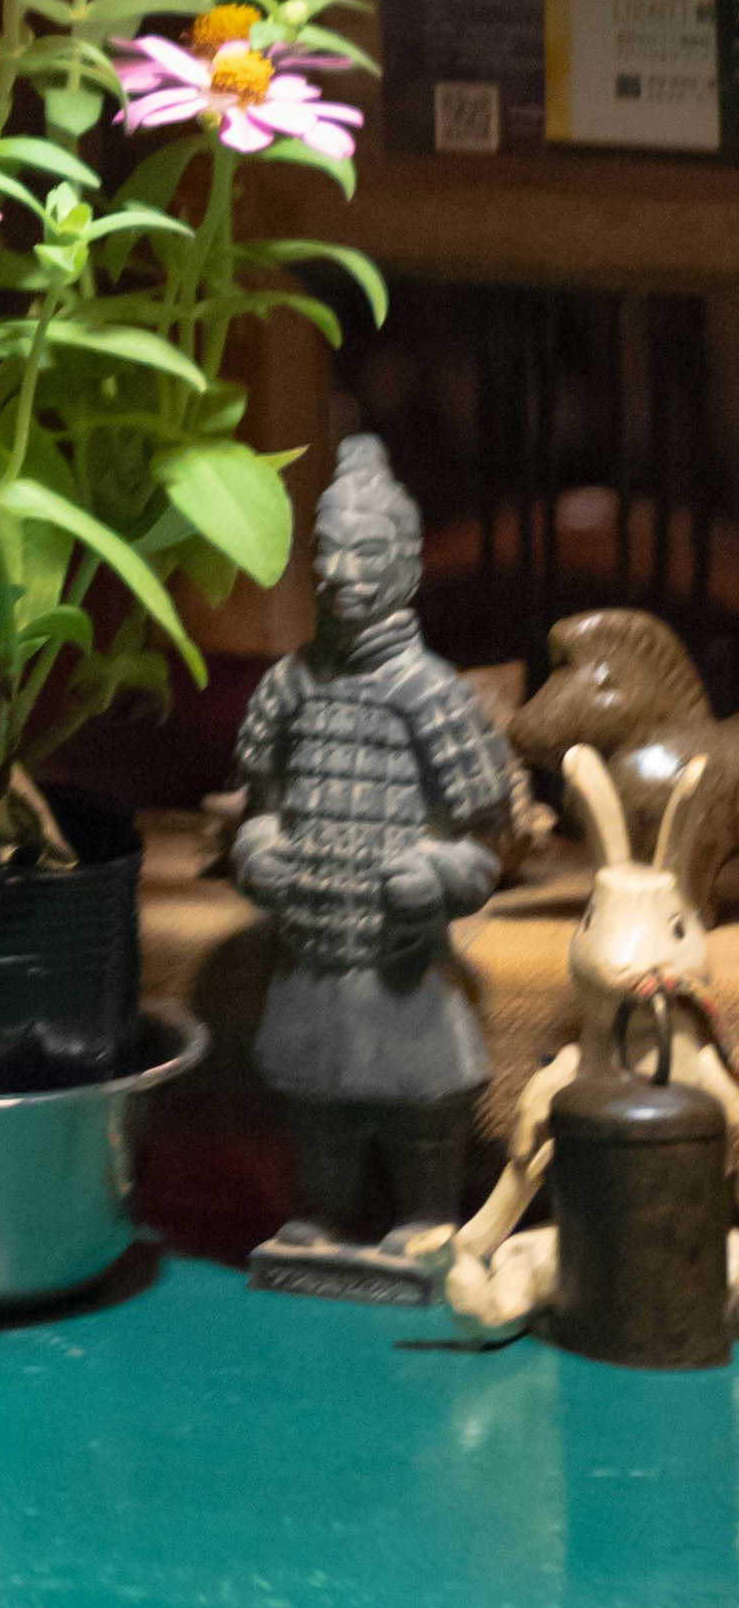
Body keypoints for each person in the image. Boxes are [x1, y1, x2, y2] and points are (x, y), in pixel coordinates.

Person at [227, 432, 515, 1245]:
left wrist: (443, 873)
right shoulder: (287, 688)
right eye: (326, 552)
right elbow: (256, 810)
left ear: (406, 569)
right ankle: (320, 1212)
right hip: (312, 957)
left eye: (364, 553)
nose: (337, 573)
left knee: (420, 1104)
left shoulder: (434, 696)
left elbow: (488, 846)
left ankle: (425, 1215)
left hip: (405, 968)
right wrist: (257, 853)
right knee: (313, 1100)